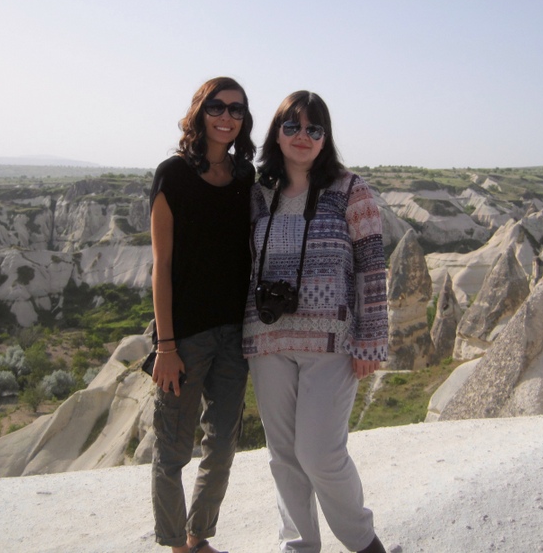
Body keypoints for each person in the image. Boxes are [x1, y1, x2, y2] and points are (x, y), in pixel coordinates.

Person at [242, 91, 389, 553]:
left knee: (320, 454)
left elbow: (371, 267)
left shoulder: (350, 190)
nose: (302, 136)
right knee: (284, 456)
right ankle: (299, 546)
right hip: (267, 339)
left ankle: (364, 544)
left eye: (314, 129)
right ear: (277, 133)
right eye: (292, 126)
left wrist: (372, 339)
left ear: (325, 138)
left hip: (332, 342)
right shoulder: (257, 192)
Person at [149, 76, 255, 553]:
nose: (226, 116)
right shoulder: (172, 175)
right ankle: (176, 546)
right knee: (172, 450)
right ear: (200, 112)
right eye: (217, 107)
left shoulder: (246, 177)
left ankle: (199, 536)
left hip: (235, 334)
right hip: (185, 339)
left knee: (224, 445)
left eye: (236, 110)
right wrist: (165, 347)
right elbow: (162, 266)